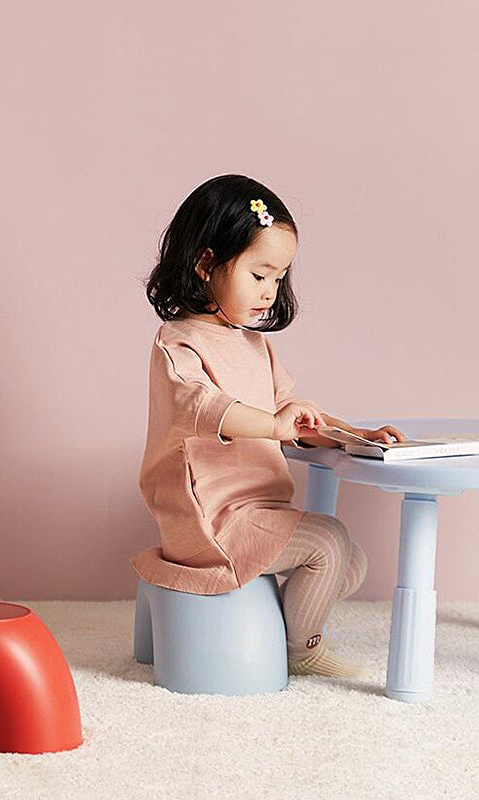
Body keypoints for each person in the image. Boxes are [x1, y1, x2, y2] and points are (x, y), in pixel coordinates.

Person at [131, 174, 407, 679]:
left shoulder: (255, 345)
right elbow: (204, 406)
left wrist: (354, 435)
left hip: (259, 511)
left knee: (352, 562)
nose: (270, 291)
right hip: (211, 521)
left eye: (278, 278)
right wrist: (274, 426)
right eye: (259, 275)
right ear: (207, 264)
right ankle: (302, 651)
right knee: (327, 543)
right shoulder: (177, 344)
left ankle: (267, 624)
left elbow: (294, 415)